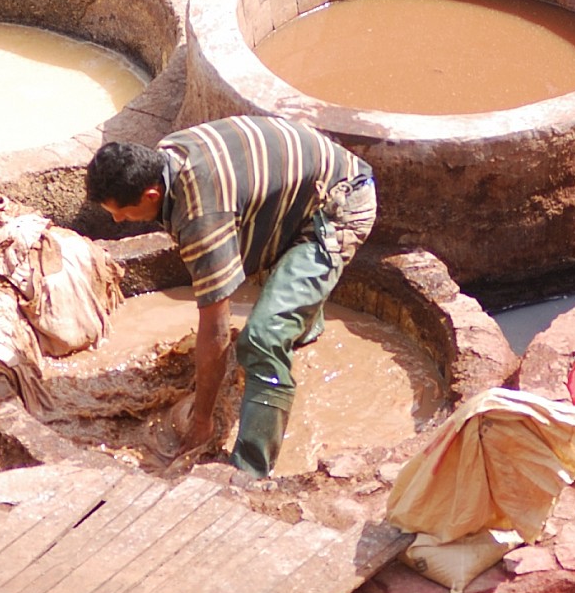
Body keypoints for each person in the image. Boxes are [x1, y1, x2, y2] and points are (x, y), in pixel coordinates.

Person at [86, 115, 377, 476]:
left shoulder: (201, 212)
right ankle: (300, 322)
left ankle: (250, 470)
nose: (118, 221)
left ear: (151, 195)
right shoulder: (166, 157)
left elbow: (216, 327)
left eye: (122, 213)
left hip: (340, 203)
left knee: (261, 339)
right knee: (270, 293)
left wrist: (202, 420)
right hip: (299, 192)